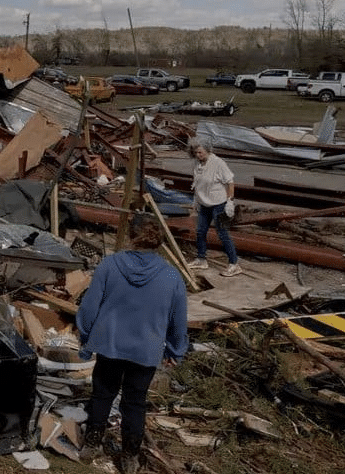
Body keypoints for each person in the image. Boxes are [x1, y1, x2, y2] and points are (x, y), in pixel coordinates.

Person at [76, 215, 188, 473]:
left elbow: (90, 306)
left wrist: (86, 336)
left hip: (109, 344)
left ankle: (91, 444)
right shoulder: (172, 277)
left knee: (102, 394)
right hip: (146, 350)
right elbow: (178, 320)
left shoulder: (110, 265)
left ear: (130, 237)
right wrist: (175, 350)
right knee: (134, 402)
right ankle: (129, 456)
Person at [187, 138, 240, 277]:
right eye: (195, 153)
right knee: (200, 231)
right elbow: (197, 182)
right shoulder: (197, 164)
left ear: (208, 151)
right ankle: (201, 259)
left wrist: (230, 201)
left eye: (200, 152)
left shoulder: (218, 163)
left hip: (219, 203)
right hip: (204, 203)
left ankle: (234, 264)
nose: (198, 155)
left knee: (222, 233)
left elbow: (230, 182)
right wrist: (196, 201)